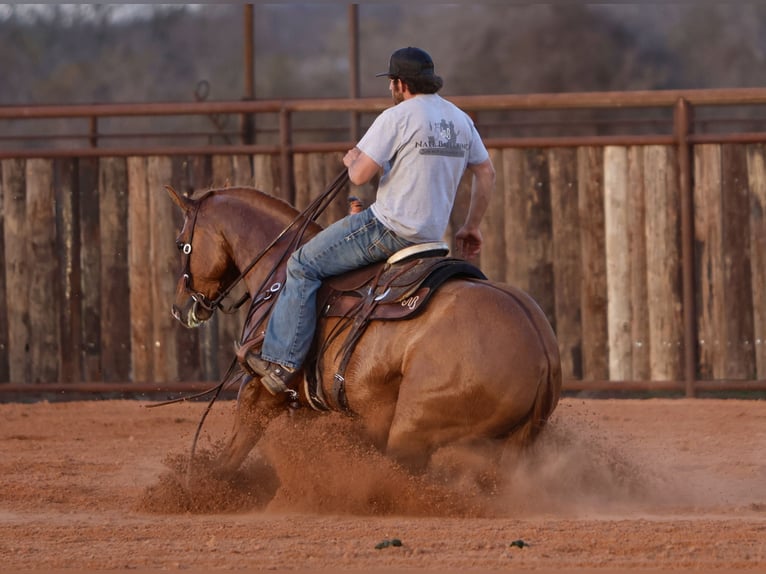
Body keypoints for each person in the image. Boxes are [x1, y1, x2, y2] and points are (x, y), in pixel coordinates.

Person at [245, 46, 496, 395]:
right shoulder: (458, 119)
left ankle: (282, 363)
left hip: (388, 229)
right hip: (433, 238)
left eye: (391, 83)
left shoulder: (397, 117)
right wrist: (471, 225)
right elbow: (486, 172)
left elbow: (361, 176)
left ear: (398, 84)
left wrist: (352, 159)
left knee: (302, 264)